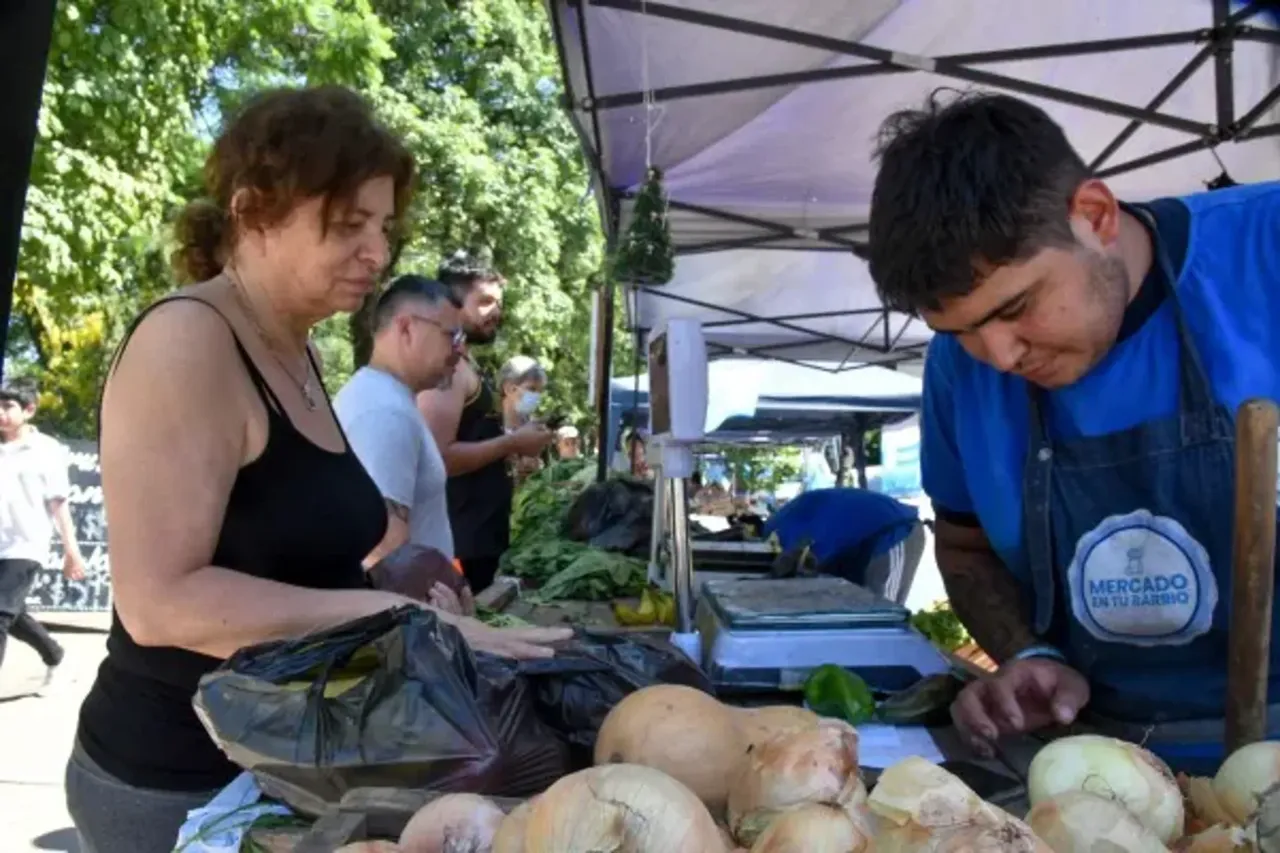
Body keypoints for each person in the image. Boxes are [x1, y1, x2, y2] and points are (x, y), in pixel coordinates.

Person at [65, 86, 570, 853]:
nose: (379, 252)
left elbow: (302, 554)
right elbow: (160, 603)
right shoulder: (189, 342)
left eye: (384, 226)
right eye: (347, 224)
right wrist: (392, 617)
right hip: (172, 781)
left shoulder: (297, 351)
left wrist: (420, 597)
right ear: (252, 211)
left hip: (281, 764)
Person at [867, 90, 1280, 772]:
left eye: (1018, 306)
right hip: (1100, 768)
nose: (998, 356)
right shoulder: (958, 368)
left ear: (1095, 215)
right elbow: (966, 549)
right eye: (960, 330)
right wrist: (1028, 652)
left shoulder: (1263, 255)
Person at [333, 274, 470, 615]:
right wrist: (442, 619)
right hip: (408, 631)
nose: (460, 350)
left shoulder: (387, 400)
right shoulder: (383, 411)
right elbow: (383, 549)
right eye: (451, 335)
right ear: (406, 328)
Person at [419, 255, 553, 594]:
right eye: (485, 301)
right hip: (459, 543)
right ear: (452, 302)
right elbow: (438, 459)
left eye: (499, 303)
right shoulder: (447, 370)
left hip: (479, 539)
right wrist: (512, 443)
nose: (496, 311)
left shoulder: (465, 363)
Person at [0, 378, 86, 693]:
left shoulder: (46, 450)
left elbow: (58, 504)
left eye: (8, 406)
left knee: (0, 613)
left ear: (29, 410)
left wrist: (71, 551)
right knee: (12, 613)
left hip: (25, 545)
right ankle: (55, 655)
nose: (1, 413)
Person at [762, 487, 925, 604]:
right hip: (862, 536)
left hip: (896, 532)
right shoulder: (790, 518)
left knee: (882, 610)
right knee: (858, 606)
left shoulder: (788, 532)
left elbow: (798, 570)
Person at [498, 355, 549, 482]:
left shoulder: (534, 428)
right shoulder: (489, 425)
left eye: (539, 391)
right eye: (531, 389)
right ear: (509, 388)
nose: (536, 396)